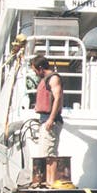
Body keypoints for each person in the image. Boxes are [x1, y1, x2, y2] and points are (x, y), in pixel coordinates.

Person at [31, 54, 64, 185]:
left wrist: (51, 118)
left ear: (40, 68)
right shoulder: (45, 79)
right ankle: (47, 181)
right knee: (45, 152)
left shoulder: (54, 78)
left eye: (35, 70)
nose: (35, 73)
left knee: (50, 153)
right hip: (44, 119)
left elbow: (57, 98)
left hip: (51, 119)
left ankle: (51, 182)